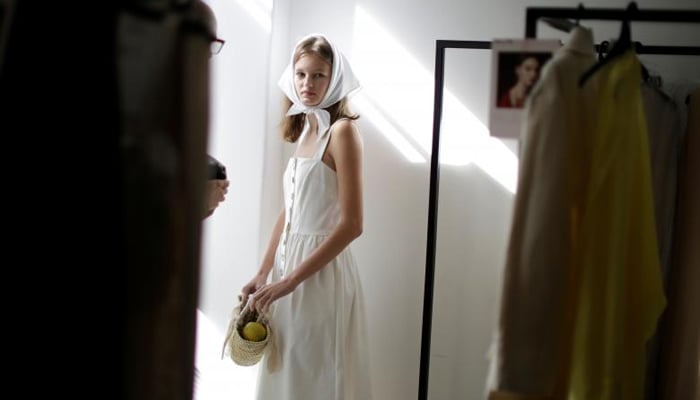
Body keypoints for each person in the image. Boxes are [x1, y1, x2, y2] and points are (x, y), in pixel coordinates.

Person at [240, 33, 372, 400]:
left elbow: (353, 225)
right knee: (286, 367)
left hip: (319, 273)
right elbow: (290, 208)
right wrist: (265, 272)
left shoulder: (343, 132)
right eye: (300, 75)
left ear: (335, 79)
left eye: (318, 75)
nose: (307, 84)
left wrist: (291, 281)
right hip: (287, 267)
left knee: (317, 370)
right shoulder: (306, 129)